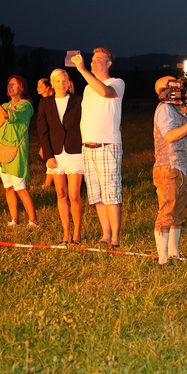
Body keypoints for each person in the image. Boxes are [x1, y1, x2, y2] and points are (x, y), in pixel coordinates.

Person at [72, 48, 125, 248]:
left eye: (98, 59)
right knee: (96, 194)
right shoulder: (87, 88)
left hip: (107, 145)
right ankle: (105, 234)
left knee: (111, 192)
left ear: (109, 63)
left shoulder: (117, 83)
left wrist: (83, 70)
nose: (93, 62)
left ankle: (115, 238)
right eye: (92, 59)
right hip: (88, 147)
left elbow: (104, 92)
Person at [152, 77, 187, 263]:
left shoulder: (176, 109)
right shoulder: (164, 108)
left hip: (181, 166)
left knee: (178, 215)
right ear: (163, 90)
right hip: (168, 166)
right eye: (173, 85)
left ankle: (173, 254)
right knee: (166, 214)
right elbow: (169, 136)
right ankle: (162, 259)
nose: (179, 87)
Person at [0, 75, 39, 227]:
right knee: (8, 188)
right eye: (9, 84)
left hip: (16, 150)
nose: (10, 86)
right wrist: (4, 115)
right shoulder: (5, 105)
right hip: (2, 149)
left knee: (20, 188)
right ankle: (15, 220)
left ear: (22, 87)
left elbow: (9, 116)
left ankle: (34, 222)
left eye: (14, 84)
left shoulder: (26, 105)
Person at [37, 69, 84, 243]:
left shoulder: (78, 101)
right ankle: (66, 234)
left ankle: (77, 234)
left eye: (65, 81)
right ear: (52, 84)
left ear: (69, 82)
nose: (62, 84)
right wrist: (48, 156)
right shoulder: (45, 103)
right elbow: (43, 131)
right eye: (58, 81)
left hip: (75, 152)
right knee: (61, 193)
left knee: (74, 195)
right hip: (55, 154)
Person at [36, 77, 55, 187]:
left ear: (48, 88)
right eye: (37, 86)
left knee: (47, 154)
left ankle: (48, 183)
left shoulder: (50, 101)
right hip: (47, 133)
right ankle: (50, 180)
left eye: (41, 86)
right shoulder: (44, 101)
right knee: (44, 153)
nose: (38, 88)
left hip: (52, 133)